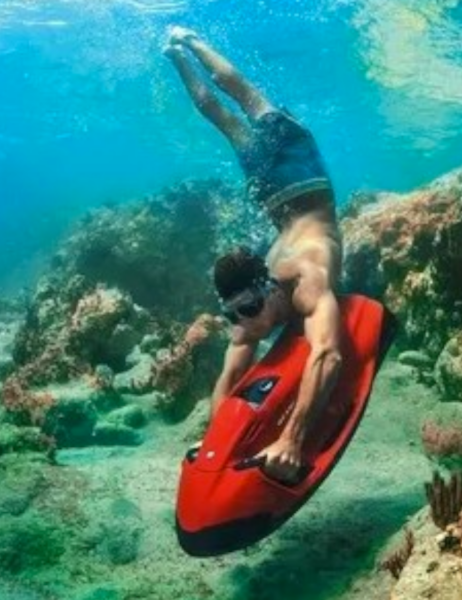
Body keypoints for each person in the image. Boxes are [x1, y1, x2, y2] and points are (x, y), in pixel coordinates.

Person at [166, 27, 343, 483]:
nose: (243, 321)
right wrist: (215, 439)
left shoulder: (309, 274)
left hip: (298, 165)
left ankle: (191, 42)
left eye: (246, 309)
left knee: (241, 97)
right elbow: (229, 379)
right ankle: (177, 55)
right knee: (219, 115)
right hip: (273, 194)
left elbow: (328, 356)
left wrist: (292, 440)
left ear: (267, 290)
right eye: (233, 314)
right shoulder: (254, 305)